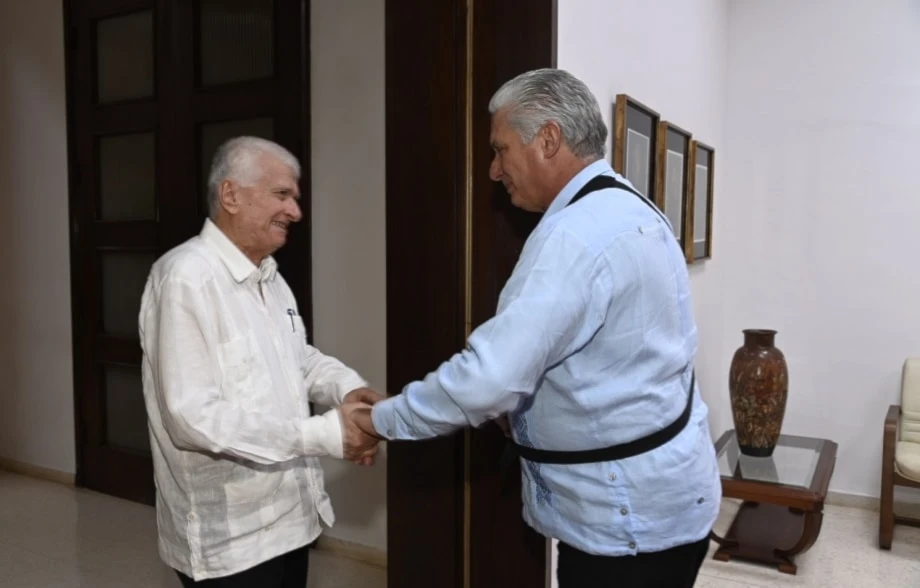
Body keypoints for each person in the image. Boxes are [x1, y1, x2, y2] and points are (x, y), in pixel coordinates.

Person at [352, 68, 722, 587]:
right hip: (666, 502)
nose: (493, 170)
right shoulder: (630, 206)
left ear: (548, 139)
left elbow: (488, 380)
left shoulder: (574, 236)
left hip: (626, 527)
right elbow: (612, 357)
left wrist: (380, 420)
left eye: (501, 149)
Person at [138, 136, 382, 587]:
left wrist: (345, 388)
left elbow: (296, 358)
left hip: (292, 522)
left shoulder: (270, 277)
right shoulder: (184, 279)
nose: (295, 212)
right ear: (231, 195)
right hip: (231, 543)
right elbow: (192, 417)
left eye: (295, 198)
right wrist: (326, 434)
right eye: (282, 195)